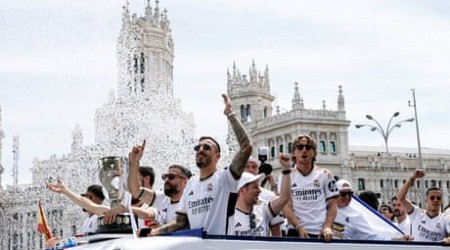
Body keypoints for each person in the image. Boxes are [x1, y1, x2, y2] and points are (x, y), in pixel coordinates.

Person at [141, 94, 252, 236]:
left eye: (206, 148)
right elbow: (179, 222)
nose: (200, 150)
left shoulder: (225, 179)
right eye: (197, 148)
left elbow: (246, 147)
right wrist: (153, 232)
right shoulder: (191, 184)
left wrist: (230, 114)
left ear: (218, 155)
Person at [280, 134, 337, 241]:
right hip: (296, 232)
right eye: (300, 147)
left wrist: (327, 226)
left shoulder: (325, 174)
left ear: (314, 152)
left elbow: (333, 205)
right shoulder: (285, 176)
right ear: (294, 152)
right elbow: (285, 206)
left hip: (320, 233)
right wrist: (299, 227)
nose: (304, 150)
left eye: (308, 147)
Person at [46, 179, 158, 230]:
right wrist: (65, 191)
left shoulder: (153, 209)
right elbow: (91, 206)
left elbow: (147, 215)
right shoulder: (115, 212)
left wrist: (123, 209)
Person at [229, 154, 291, 236]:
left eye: (254, 167)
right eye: (255, 187)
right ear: (242, 190)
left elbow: (284, 198)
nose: (259, 190)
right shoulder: (229, 216)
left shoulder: (264, 209)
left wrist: (286, 170)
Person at [128, 147, 192, 225]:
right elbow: (136, 191)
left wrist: (159, 230)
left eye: (171, 176)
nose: (166, 180)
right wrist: (134, 162)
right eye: (165, 177)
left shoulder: (192, 202)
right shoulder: (163, 199)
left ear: (185, 182)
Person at [332, 179, 412, 241]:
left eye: (350, 194)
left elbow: (371, 237)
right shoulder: (324, 209)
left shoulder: (355, 215)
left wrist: (396, 240)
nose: (347, 197)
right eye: (343, 194)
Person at [397, 169, 450, 244]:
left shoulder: (445, 219)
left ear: (441, 201)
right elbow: (400, 198)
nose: (435, 200)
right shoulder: (417, 213)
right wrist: (412, 178)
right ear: (426, 200)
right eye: (432, 198)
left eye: (438, 198)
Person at [244, 156, 284, 236]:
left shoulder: (270, 196)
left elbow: (276, 229)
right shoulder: (232, 194)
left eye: (254, 167)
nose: (251, 169)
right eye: (247, 167)